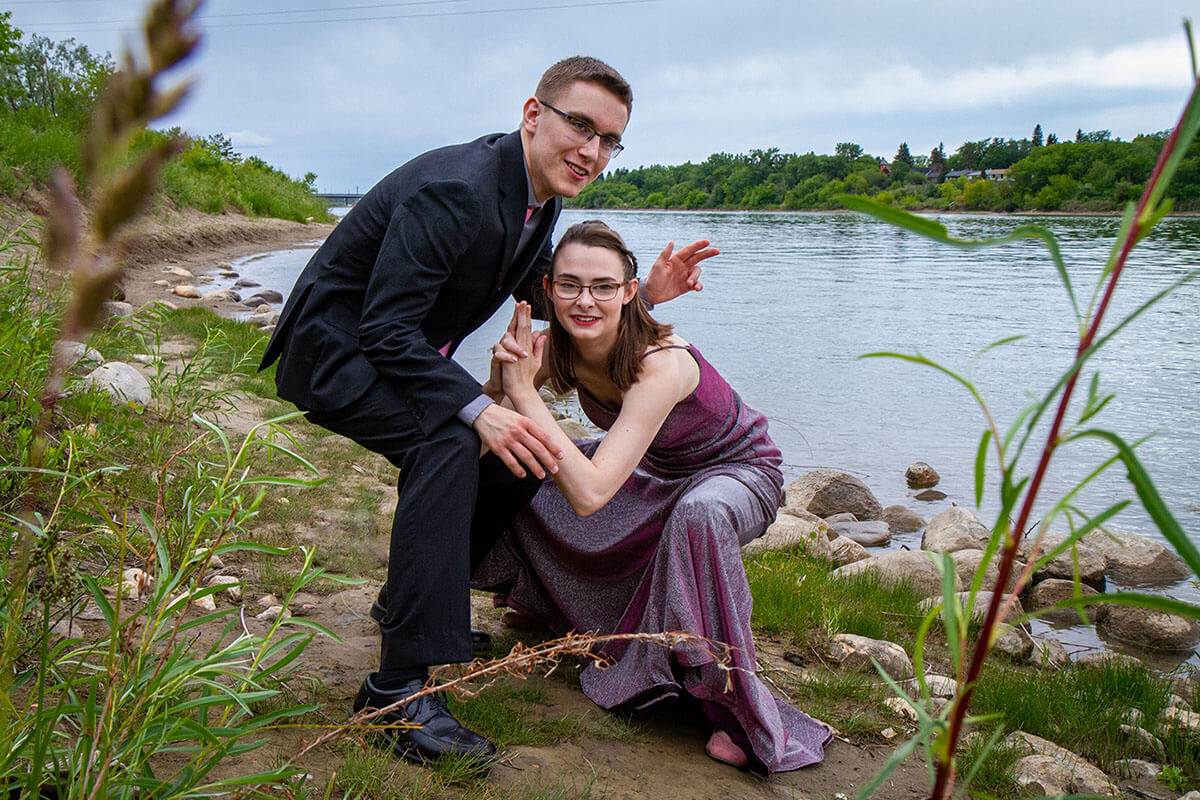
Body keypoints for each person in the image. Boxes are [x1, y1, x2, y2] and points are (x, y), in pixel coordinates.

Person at [259, 57, 716, 766]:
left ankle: (412, 612)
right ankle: (396, 695)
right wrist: (476, 405)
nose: (593, 152)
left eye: (610, 140)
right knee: (449, 440)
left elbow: (561, 301)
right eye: (581, 126)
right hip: (336, 353)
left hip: (394, 352)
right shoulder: (457, 191)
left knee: (517, 453)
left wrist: (642, 298)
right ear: (534, 114)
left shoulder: (540, 198)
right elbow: (382, 328)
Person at [473, 220, 832, 773]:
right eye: (569, 285)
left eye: (603, 287)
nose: (584, 300)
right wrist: (502, 384)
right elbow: (484, 421)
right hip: (654, 470)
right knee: (520, 456)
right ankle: (543, 601)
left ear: (628, 289)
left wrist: (524, 392)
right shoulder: (560, 343)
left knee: (698, 513)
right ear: (548, 290)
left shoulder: (663, 362)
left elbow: (591, 494)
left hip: (736, 475)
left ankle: (730, 706)